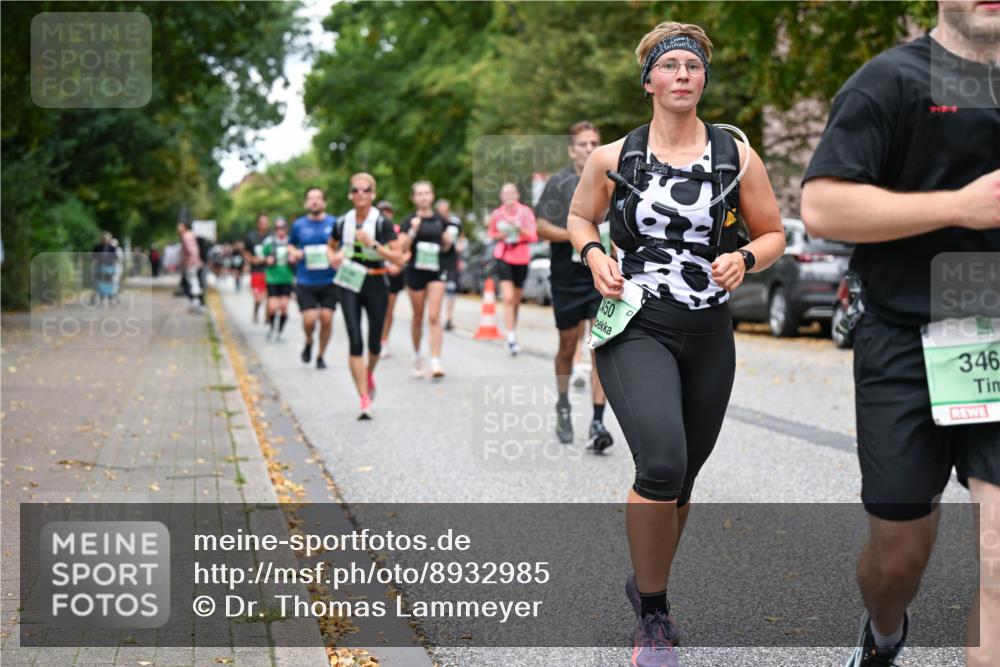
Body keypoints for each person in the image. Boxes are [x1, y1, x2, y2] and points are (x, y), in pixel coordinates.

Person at [568, 21, 785, 665]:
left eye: (693, 65)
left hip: (709, 331)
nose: (683, 74)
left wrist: (745, 257)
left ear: (703, 80)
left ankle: (647, 579)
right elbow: (581, 216)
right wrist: (591, 252)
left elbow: (773, 233)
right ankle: (654, 618)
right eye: (671, 66)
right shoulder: (614, 158)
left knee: (684, 478)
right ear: (649, 81)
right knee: (659, 463)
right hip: (636, 323)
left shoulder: (736, 156)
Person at [800, 3, 1000, 665]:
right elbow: (823, 204)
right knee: (898, 557)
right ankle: (885, 629)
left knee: (997, 553)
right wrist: (959, 207)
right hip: (906, 336)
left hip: (996, 337)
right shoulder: (891, 80)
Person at [536, 120, 614, 451]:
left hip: (602, 277)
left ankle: (598, 421)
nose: (589, 147)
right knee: (568, 345)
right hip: (567, 276)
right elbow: (540, 227)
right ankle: (564, 404)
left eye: (594, 142)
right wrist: (579, 236)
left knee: (601, 344)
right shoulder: (559, 183)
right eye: (583, 143)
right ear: (572, 150)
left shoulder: (612, 179)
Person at [329, 173, 404, 419]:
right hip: (350, 280)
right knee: (355, 340)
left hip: (375, 280)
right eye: (356, 190)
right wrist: (334, 258)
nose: (360, 193)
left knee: (374, 343)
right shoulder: (342, 221)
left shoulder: (381, 223)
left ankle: (368, 373)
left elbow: (398, 257)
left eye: (366, 189)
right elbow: (331, 246)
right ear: (350, 195)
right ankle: (364, 399)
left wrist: (372, 245)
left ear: (373, 194)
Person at [398, 181, 453, 378]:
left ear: (432, 195)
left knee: (434, 316)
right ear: (414, 198)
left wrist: (448, 241)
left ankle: (436, 361)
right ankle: (416, 355)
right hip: (415, 271)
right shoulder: (409, 220)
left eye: (427, 193)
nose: (423, 197)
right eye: (419, 194)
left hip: (435, 271)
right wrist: (413, 230)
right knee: (418, 317)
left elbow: (446, 246)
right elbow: (402, 247)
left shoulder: (440, 219)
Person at [288, 188, 338, 370]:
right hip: (305, 280)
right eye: (311, 198)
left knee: (326, 318)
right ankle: (309, 341)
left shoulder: (334, 223)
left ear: (324, 202)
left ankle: (321, 355)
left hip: (329, 280)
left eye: (318, 198)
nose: (315, 201)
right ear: (306, 203)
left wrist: (338, 256)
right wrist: (294, 253)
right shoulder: (299, 225)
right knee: (309, 320)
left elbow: (343, 246)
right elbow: (290, 245)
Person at [487, 183, 538, 355]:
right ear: (501, 196)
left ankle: (512, 331)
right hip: (503, 256)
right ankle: (509, 338)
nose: (508, 195)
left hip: (521, 257)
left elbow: (533, 236)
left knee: (516, 300)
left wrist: (519, 229)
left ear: (517, 195)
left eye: (511, 192)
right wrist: (500, 236)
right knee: (508, 298)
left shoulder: (526, 212)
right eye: (505, 192)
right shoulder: (497, 214)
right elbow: (491, 234)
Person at [377, 200, 408, 358]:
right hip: (377, 273)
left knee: (388, 310)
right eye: (382, 211)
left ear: (392, 214)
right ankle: (375, 337)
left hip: (394, 274)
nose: (385, 214)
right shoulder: (372, 231)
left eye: (388, 211)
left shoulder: (397, 231)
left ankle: (384, 340)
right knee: (376, 310)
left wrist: (398, 266)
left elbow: (407, 251)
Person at [261, 219, 294, 342]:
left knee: (284, 306)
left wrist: (293, 258)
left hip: (286, 277)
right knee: (273, 307)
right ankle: (271, 327)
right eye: (278, 228)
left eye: (283, 228)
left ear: (286, 229)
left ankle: (280, 331)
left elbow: (297, 255)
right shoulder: (269, 242)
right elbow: (262, 256)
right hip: (272, 278)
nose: (280, 231)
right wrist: (266, 259)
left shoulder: (291, 242)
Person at [435, 199, 464, 331]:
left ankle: (448, 318)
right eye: (440, 211)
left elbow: (461, 237)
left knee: (451, 288)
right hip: (437, 259)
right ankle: (435, 315)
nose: (443, 213)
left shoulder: (455, 222)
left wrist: (460, 245)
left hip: (452, 259)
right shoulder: (434, 222)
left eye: (445, 210)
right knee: (437, 288)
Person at [244, 213, 270, 323]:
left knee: (269, 295)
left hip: (270, 270)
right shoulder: (251, 236)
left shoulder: (272, 236)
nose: (264, 225)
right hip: (256, 271)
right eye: (262, 223)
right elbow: (245, 252)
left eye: (266, 222)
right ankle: (256, 310)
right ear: (258, 223)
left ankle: (268, 318)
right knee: (258, 298)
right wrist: (252, 259)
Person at [177, 222, 205, 314]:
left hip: (192, 264)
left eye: (180, 227)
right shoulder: (190, 235)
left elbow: (192, 251)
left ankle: (196, 303)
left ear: (185, 227)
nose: (178, 229)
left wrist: (192, 261)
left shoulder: (186, 236)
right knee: (192, 282)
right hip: (193, 263)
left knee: (192, 282)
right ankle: (196, 303)